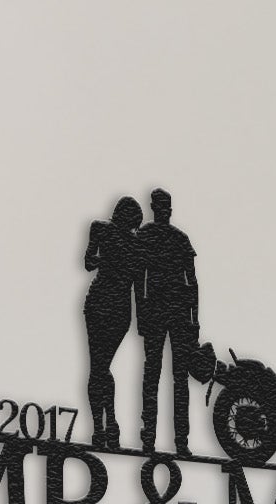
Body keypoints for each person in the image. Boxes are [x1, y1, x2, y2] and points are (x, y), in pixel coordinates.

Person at [136, 188, 199, 454]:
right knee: (165, 376)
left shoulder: (151, 235)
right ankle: (158, 438)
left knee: (164, 375)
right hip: (168, 311)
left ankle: (169, 439)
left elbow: (192, 282)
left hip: (169, 311)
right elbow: (141, 278)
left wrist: (195, 320)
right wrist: (194, 319)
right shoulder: (166, 237)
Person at [82, 197, 143, 449]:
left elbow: (140, 285)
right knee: (100, 367)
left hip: (113, 307)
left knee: (99, 367)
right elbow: (88, 261)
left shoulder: (132, 241)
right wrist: (108, 263)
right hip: (105, 304)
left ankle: (103, 427)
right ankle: (106, 426)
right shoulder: (102, 229)